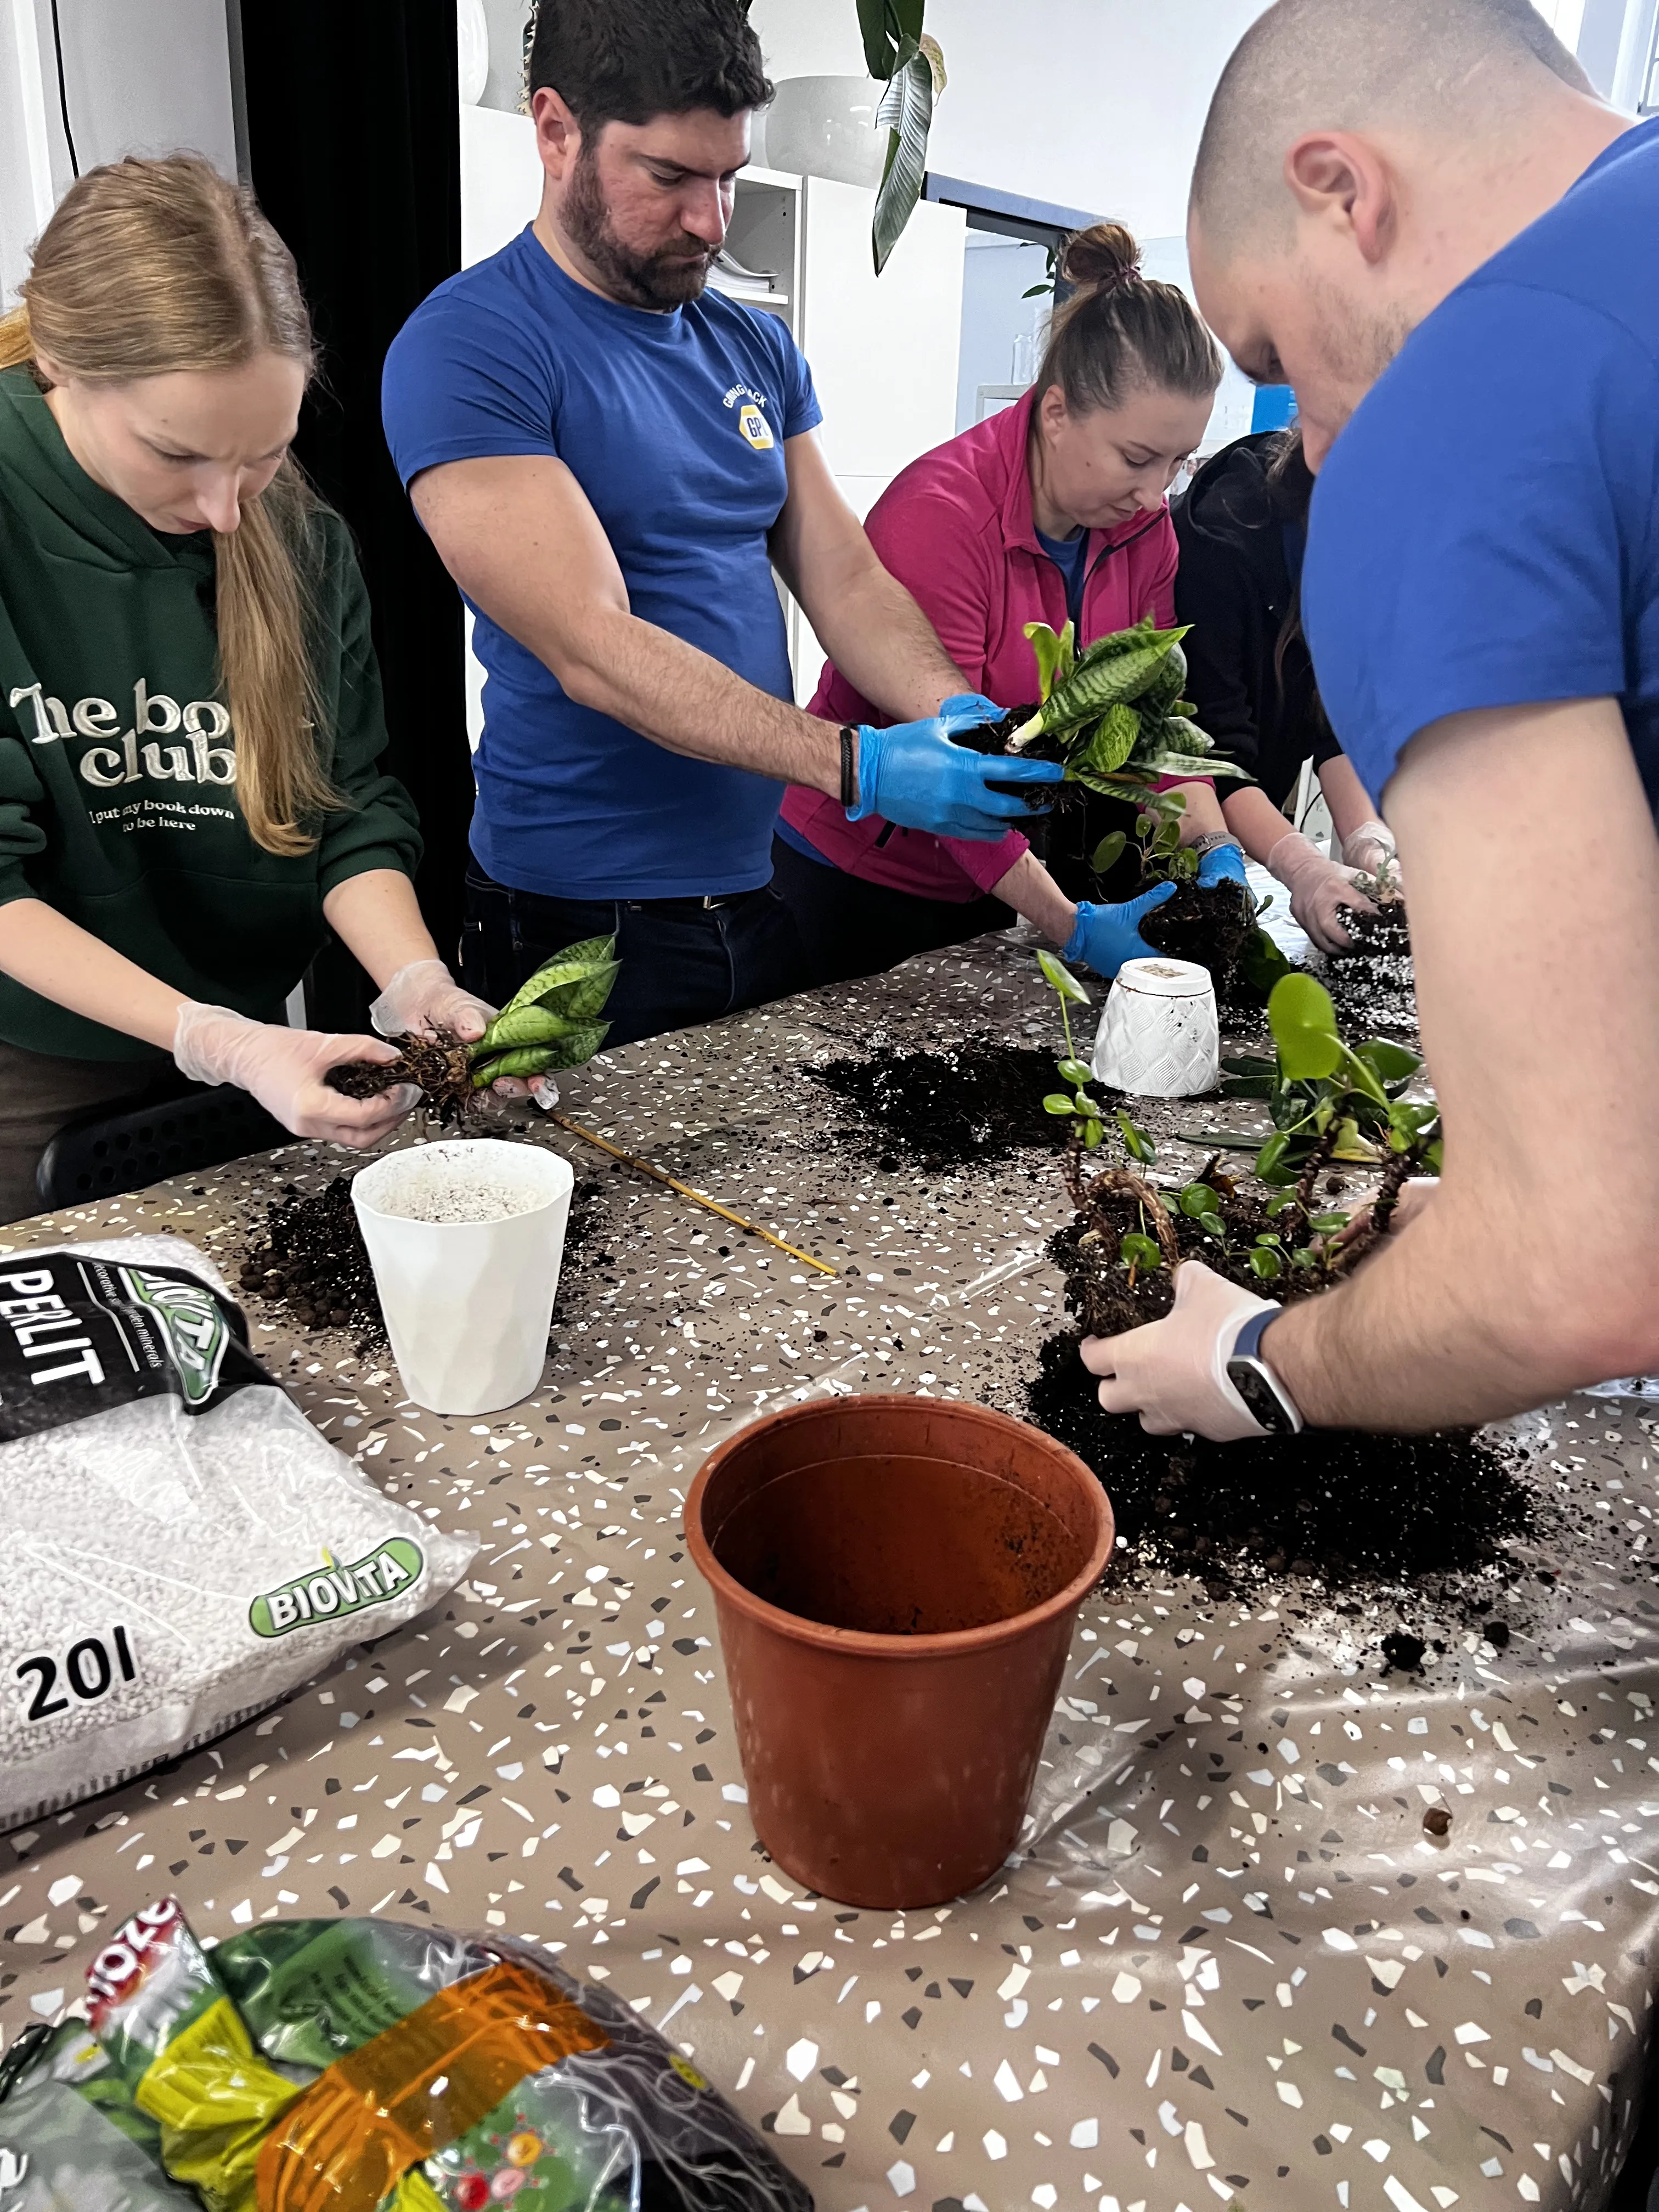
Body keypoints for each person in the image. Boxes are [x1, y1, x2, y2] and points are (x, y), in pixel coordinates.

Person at [1081, 0, 1659, 1441]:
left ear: (1343, 187)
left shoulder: (1463, 414)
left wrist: (1258, 1363)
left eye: (1278, 349)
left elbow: (1584, 1268)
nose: (1321, 450)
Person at [380, 0, 1059, 1051]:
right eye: (669, 177)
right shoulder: (471, 345)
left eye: (730, 176)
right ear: (554, 131)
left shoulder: (752, 346)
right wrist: (860, 766)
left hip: (754, 884)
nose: (712, 221)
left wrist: (953, 714)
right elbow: (591, 646)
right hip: (575, 917)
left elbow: (843, 577)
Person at [0, 155, 489, 1228]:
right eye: (176, 454)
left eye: (265, 454)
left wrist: (415, 979)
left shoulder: (301, 540)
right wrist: (211, 1038)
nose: (226, 512)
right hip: (28, 1055)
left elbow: (345, 811)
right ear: (62, 366)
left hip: (248, 1027)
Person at [774, 222, 1246, 990]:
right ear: (1056, 413)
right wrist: (1071, 926)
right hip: (856, 883)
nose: (1154, 493)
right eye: (1136, 459)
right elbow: (964, 764)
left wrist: (1215, 848)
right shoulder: (941, 518)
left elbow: (1150, 722)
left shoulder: (1144, 530)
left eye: (1176, 463)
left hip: (999, 882)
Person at [1174, 425, 1399, 951]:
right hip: (1162, 826)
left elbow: (1335, 723)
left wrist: (1369, 843)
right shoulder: (1220, 546)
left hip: (1247, 814)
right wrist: (1302, 867)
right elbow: (1214, 756)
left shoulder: (1368, 562)